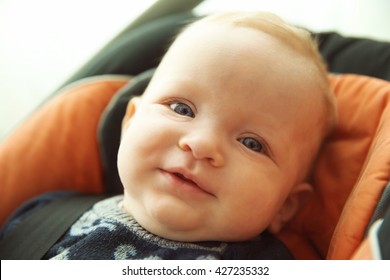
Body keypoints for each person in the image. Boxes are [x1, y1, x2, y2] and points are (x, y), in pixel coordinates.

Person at [0, 11, 337, 259]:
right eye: (181, 109)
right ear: (129, 122)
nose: (201, 144)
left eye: (252, 143)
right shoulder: (43, 214)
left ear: (285, 206)